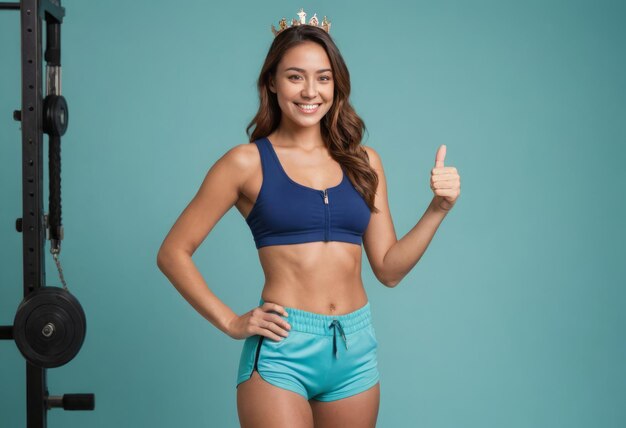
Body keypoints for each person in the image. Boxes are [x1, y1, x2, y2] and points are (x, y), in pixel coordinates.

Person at [156, 9, 461, 428]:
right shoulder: (246, 163)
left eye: (322, 77)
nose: (309, 91)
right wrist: (230, 321)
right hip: (284, 349)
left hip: (354, 350)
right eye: (295, 76)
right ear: (272, 83)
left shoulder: (364, 162)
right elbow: (173, 252)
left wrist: (437, 210)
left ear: (336, 85)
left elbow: (388, 269)